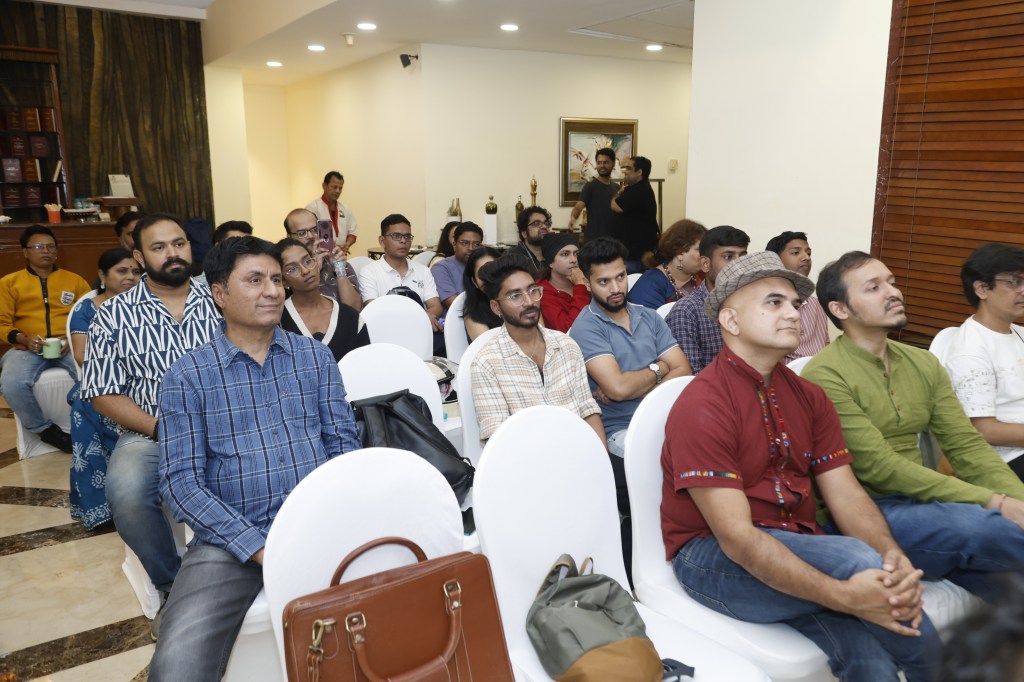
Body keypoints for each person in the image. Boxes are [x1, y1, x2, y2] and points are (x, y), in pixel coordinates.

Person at [663, 250, 938, 681]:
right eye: (774, 303)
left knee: (869, 658)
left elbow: (846, 495)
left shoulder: (809, 396)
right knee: (855, 562)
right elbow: (737, 538)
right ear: (731, 321)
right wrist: (846, 595)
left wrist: (892, 558)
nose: (793, 313)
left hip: (796, 539)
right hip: (712, 558)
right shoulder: (703, 404)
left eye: (794, 303)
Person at [149, 236, 361, 681]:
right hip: (230, 542)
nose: (272, 291)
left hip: (318, 525)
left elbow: (343, 446)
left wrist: (334, 520)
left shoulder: (314, 358)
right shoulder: (188, 376)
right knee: (177, 666)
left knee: (391, 618)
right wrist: (259, 548)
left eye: (277, 280)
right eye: (255, 280)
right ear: (219, 294)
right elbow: (181, 483)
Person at [804, 251, 1024, 604]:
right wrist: (992, 501)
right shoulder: (824, 374)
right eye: (874, 287)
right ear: (840, 309)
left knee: (1010, 588)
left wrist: (1018, 500)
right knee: (985, 526)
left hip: (922, 501)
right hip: (864, 510)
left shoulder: (923, 363)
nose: (894, 292)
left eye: (891, 281)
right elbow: (878, 467)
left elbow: (966, 445)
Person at [81, 213, 221, 601]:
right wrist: (160, 428)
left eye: (178, 243)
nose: (172, 253)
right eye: (158, 247)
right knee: (126, 493)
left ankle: (243, 573)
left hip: (228, 425)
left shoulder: (221, 299)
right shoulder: (112, 315)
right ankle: (173, 587)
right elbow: (102, 393)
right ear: (139, 257)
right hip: (150, 432)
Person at [569, 237, 691, 577]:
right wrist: (659, 368)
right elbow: (618, 390)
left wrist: (641, 381)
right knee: (671, 462)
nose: (615, 288)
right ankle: (659, 561)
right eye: (603, 281)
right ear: (587, 282)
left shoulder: (648, 316)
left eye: (620, 277)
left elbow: (683, 370)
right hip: (621, 430)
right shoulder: (586, 327)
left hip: (664, 419)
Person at [471, 253, 603, 443]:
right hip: (526, 457)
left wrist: (600, 456)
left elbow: (588, 411)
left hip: (578, 449)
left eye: (533, 291)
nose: (529, 302)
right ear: (496, 308)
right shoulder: (486, 363)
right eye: (515, 296)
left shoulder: (566, 345)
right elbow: (498, 440)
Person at [0, 225, 91, 453]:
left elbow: (89, 314)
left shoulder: (75, 281)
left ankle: (94, 424)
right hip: (26, 346)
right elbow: (2, 323)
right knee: (12, 382)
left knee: (93, 372)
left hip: (68, 343)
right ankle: (45, 430)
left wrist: (72, 337)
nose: (46, 251)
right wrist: (23, 338)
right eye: (39, 247)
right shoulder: (9, 283)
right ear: (25, 252)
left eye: (51, 246)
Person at [67, 248, 141, 529]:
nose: (130, 277)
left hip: (141, 381)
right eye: (122, 271)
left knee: (85, 407)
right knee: (85, 404)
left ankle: (114, 500)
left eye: (135, 271)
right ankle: (99, 506)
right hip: (102, 379)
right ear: (102, 275)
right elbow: (81, 356)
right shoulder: (87, 310)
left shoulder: (146, 304)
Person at [942, 243, 1024, 481]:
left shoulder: (1018, 333)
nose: (1023, 290)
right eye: (1014, 282)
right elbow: (984, 430)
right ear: (981, 289)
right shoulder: (970, 351)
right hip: (1004, 459)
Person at [666, 225, 750, 373]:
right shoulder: (686, 311)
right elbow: (690, 378)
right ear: (706, 264)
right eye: (728, 257)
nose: (738, 265)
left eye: (743, 257)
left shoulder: (751, 304)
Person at [277, 238, 369, 362]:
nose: (305, 270)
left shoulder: (350, 318)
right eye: (293, 269)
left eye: (308, 261)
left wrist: (339, 267)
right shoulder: (278, 320)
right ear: (283, 281)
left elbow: (366, 366)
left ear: (317, 264)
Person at [358, 214, 444, 328]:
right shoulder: (369, 272)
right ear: (382, 241)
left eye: (407, 237)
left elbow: (436, 307)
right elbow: (373, 310)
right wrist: (419, 318)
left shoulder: (423, 270)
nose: (403, 241)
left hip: (420, 329)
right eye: (396, 236)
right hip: (385, 330)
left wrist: (422, 318)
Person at [765, 230, 830, 363]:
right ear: (775, 260)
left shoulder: (816, 304)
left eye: (808, 253)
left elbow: (826, 345)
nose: (806, 257)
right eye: (795, 252)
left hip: (818, 371)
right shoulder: (766, 304)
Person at [282, 207, 361, 311]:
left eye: (315, 230)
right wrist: (314, 269)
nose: (311, 236)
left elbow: (355, 309)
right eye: (302, 233)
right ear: (289, 237)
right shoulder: (288, 268)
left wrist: (339, 269)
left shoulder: (337, 261)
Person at [628, 219, 706, 309]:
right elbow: (646, 317)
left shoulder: (702, 275)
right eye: (700, 249)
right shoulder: (650, 285)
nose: (706, 255)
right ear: (680, 253)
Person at [610, 155, 659, 274]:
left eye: (629, 168)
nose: (625, 171)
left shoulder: (640, 190)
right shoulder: (637, 188)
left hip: (635, 256)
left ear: (639, 172)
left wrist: (618, 193)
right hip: (633, 253)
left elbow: (615, 206)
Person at [536, 233, 588, 332]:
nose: (573, 260)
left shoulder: (585, 281)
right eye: (565, 254)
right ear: (551, 262)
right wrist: (580, 287)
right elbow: (568, 331)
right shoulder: (543, 295)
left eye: (576, 254)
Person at [568, 146, 619, 243]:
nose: (602, 165)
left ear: (613, 164)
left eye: (606, 162)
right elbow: (578, 207)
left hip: (613, 241)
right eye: (599, 162)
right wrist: (573, 218)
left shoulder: (617, 188)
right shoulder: (590, 186)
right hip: (594, 242)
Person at [431, 221, 483, 310]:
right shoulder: (441, 268)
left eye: (476, 244)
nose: (471, 248)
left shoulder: (484, 265)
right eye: (465, 243)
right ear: (454, 245)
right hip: (458, 317)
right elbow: (455, 305)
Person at [304, 170, 358, 254]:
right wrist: (332, 247)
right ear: (324, 186)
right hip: (319, 257)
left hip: (340, 256)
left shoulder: (346, 209)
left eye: (340, 188)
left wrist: (347, 245)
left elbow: (352, 233)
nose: (338, 191)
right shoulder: (312, 208)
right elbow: (309, 236)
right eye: (334, 187)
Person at [461, 246, 503, 341]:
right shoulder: (473, 312)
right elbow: (489, 347)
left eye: (493, 270)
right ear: (474, 282)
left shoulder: (519, 297)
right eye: (482, 273)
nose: (489, 278)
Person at [511, 205, 551, 272]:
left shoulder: (554, 253)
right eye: (537, 223)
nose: (544, 226)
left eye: (546, 223)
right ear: (524, 233)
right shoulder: (512, 257)